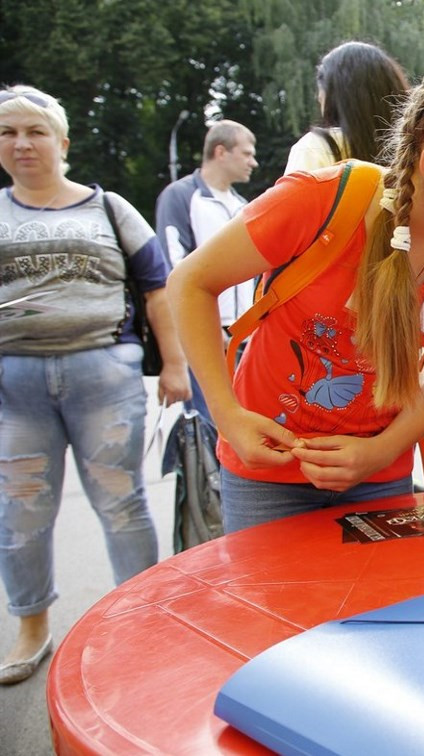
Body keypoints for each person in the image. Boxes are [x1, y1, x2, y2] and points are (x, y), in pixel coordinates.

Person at [167, 53, 424, 533]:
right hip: (267, 469)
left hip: (379, 471)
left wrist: (378, 451)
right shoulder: (322, 200)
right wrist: (226, 415)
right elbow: (190, 282)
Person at [0, 85, 190, 684]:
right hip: (15, 382)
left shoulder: (111, 209)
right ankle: (32, 626)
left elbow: (159, 290)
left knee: (122, 501)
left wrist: (176, 365)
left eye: (34, 131)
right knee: (22, 509)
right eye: (8, 132)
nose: (21, 143)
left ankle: (143, 617)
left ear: (63, 141)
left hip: (103, 373)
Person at [155, 119, 259, 424]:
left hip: (244, 338)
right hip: (207, 335)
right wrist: (206, 326)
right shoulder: (182, 196)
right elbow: (174, 266)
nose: (254, 162)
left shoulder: (243, 205)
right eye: (247, 153)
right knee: (210, 425)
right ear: (220, 152)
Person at [284, 41, 409, 173]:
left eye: (322, 90)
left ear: (335, 96)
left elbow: (292, 194)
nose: (318, 97)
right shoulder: (416, 151)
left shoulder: (316, 148)